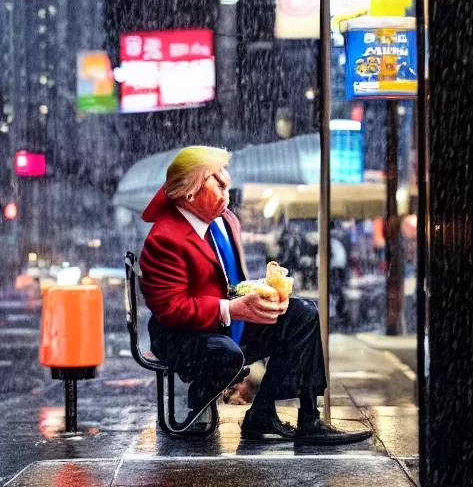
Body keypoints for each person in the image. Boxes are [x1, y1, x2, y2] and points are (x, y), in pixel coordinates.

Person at [139, 146, 372, 444]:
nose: (228, 190)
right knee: (226, 353)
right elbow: (171, 310)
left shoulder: (224, 221)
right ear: (190, 194)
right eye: (219, 184)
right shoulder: (165, 239)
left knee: (303, 314)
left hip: (222, 323)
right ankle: (204, 393)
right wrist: (232, 309)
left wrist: (261, 292)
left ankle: (301, 418)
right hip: (182, 336)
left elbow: (229, 282)